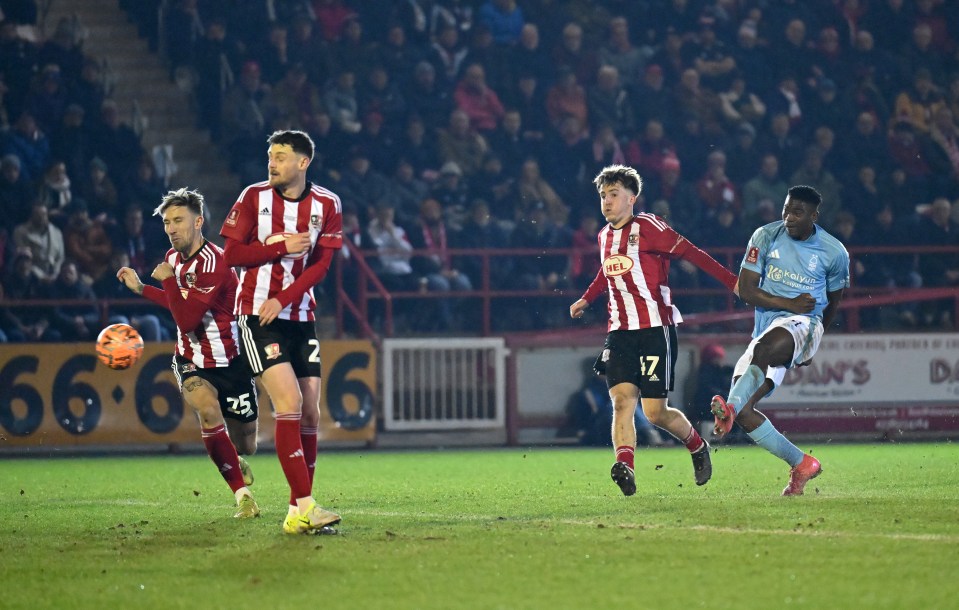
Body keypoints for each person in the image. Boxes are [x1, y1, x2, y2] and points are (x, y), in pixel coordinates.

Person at [569, 165, 739, 496]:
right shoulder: (604, 236)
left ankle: (697, 446)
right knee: (621, 402)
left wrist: (731, 282)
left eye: (614, 195)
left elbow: (692, 253)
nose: (606, 201)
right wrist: (587, 299)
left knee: (654, 412)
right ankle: (625, 467)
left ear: (632, 198)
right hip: (619, 332)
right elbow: (607, 273)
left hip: (653, 329)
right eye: (603, 195)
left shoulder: (648, 226)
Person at [219, 129, 343, 535]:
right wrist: (279, 248)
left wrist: (286, 297)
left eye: (281, 156)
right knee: (288, 401)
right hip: (256, 315)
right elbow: (232, 254)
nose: (271, 162)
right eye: (270, 155)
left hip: (299, 316)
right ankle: (307, 506)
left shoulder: (327, 203)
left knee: (310, 410)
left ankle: (296, 512)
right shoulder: (253, 197)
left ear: (303, 162)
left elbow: (321, 265)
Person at [116, 188, 260, 519]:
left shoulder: (216, 262)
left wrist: (166, 280)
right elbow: (180, 307)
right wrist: (142, 288)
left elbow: (188, 316)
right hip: (192, 359)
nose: (171, 228)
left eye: (178, 220)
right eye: (167, 222)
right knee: (208, 412)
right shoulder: (172, 259)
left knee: (246, 443)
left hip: (233, 361)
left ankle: (234, 459)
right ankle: (243, 497)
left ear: (198, 222)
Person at [710, 185, 849, 496]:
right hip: (769, 326)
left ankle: (727, 408)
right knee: (746, 413)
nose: (788, 217)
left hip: (805, 323)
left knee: (763, 352)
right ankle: (802, 464)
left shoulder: (834, 251)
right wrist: (789, 304)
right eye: (786, 209)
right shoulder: (765, 235)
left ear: (814, 216)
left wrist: (815, 339)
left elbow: (835, 300)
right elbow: (746, 290)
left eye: (797, 213)